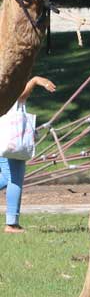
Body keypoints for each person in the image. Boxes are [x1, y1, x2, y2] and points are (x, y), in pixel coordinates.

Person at [0, 75, 56, 233]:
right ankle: (11, 223)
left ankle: (12, 222)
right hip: (9, 140)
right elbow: (20, 96)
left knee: (7, 177)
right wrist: (36, 80)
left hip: (4, 139)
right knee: (15, 180)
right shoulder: (7, 90)